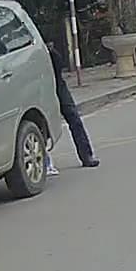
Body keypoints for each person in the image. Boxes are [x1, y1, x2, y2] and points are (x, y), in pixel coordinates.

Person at [44, 40, 99, 175]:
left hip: (58, 85)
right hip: (41, 88)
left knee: (74, 117)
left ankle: (86, 155)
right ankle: (44, 161)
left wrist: (51, 51)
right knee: (42, 125)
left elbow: (60, 65)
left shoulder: (51, 53)